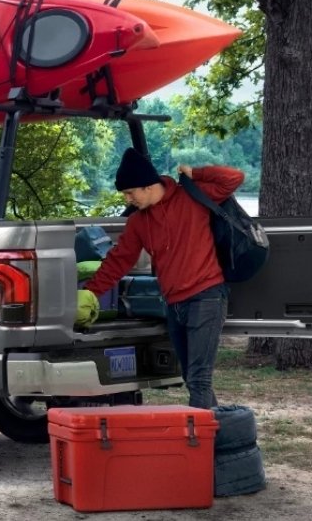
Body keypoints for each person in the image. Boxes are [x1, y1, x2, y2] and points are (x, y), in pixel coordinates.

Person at [81, 148, 245, 409]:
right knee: (192, 378)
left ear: (147, 186)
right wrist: (90, 292)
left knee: (199, 379)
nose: (127, 198)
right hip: (173, 304)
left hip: (207, 296)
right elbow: (118, 261)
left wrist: (197, 173)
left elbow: (234, 178)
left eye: (129, 192)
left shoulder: (192, 195)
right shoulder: (138, 222)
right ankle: (217, 438)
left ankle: (197, 446)